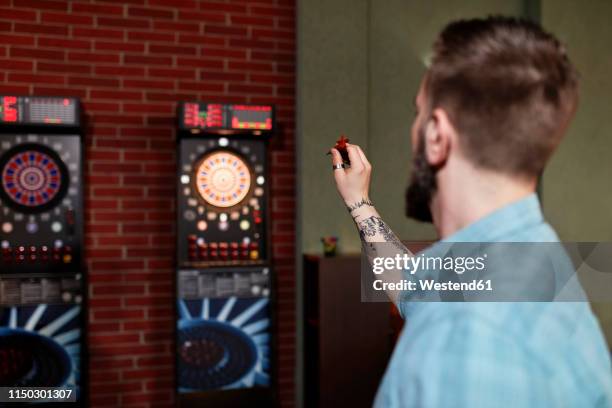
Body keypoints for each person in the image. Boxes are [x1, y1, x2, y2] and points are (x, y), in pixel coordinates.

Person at [330, 16, 612, 407]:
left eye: (418, 113)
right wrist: (359, 203)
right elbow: (411, 288)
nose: (414, 129)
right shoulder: (525, 254)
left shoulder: (465, 340)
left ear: (436, 136)